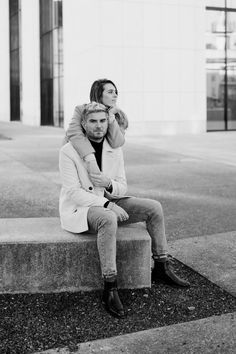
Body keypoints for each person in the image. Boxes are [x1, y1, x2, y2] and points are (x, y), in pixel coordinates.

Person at [59, 102, 190, 319]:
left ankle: (161, 267)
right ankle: (110, 287)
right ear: (83, 123)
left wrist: (108, 184)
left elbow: (122, 185)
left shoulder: (114, 148)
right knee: (108, 218)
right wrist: (107, 205)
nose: (99, 126)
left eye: (102, 121)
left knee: (154, 208)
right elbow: (73, 192)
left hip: (109, 199)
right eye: (93, 121)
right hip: (81, 208)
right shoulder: (68, 151)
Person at [65, 79, 128, 178]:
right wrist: (90, 159)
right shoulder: (81, 110)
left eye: (116, 92)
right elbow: (74, 133)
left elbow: (117, 143)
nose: (115, 95)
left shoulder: (118, 115)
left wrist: (110, 117)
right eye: (110, 92)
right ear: (98, 95)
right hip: (83, 159)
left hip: (107, 164)